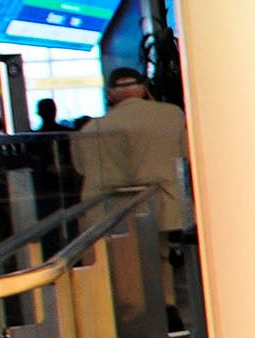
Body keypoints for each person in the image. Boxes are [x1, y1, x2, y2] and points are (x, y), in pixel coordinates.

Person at [75, 65, 192, 232]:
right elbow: (187, 154)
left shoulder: (92, 128)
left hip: (113, 212)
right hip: (168, 206)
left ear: (109, 94)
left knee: (127, 256)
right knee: (162, 254)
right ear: (144, 88)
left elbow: (82, 168)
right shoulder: (172, 114)